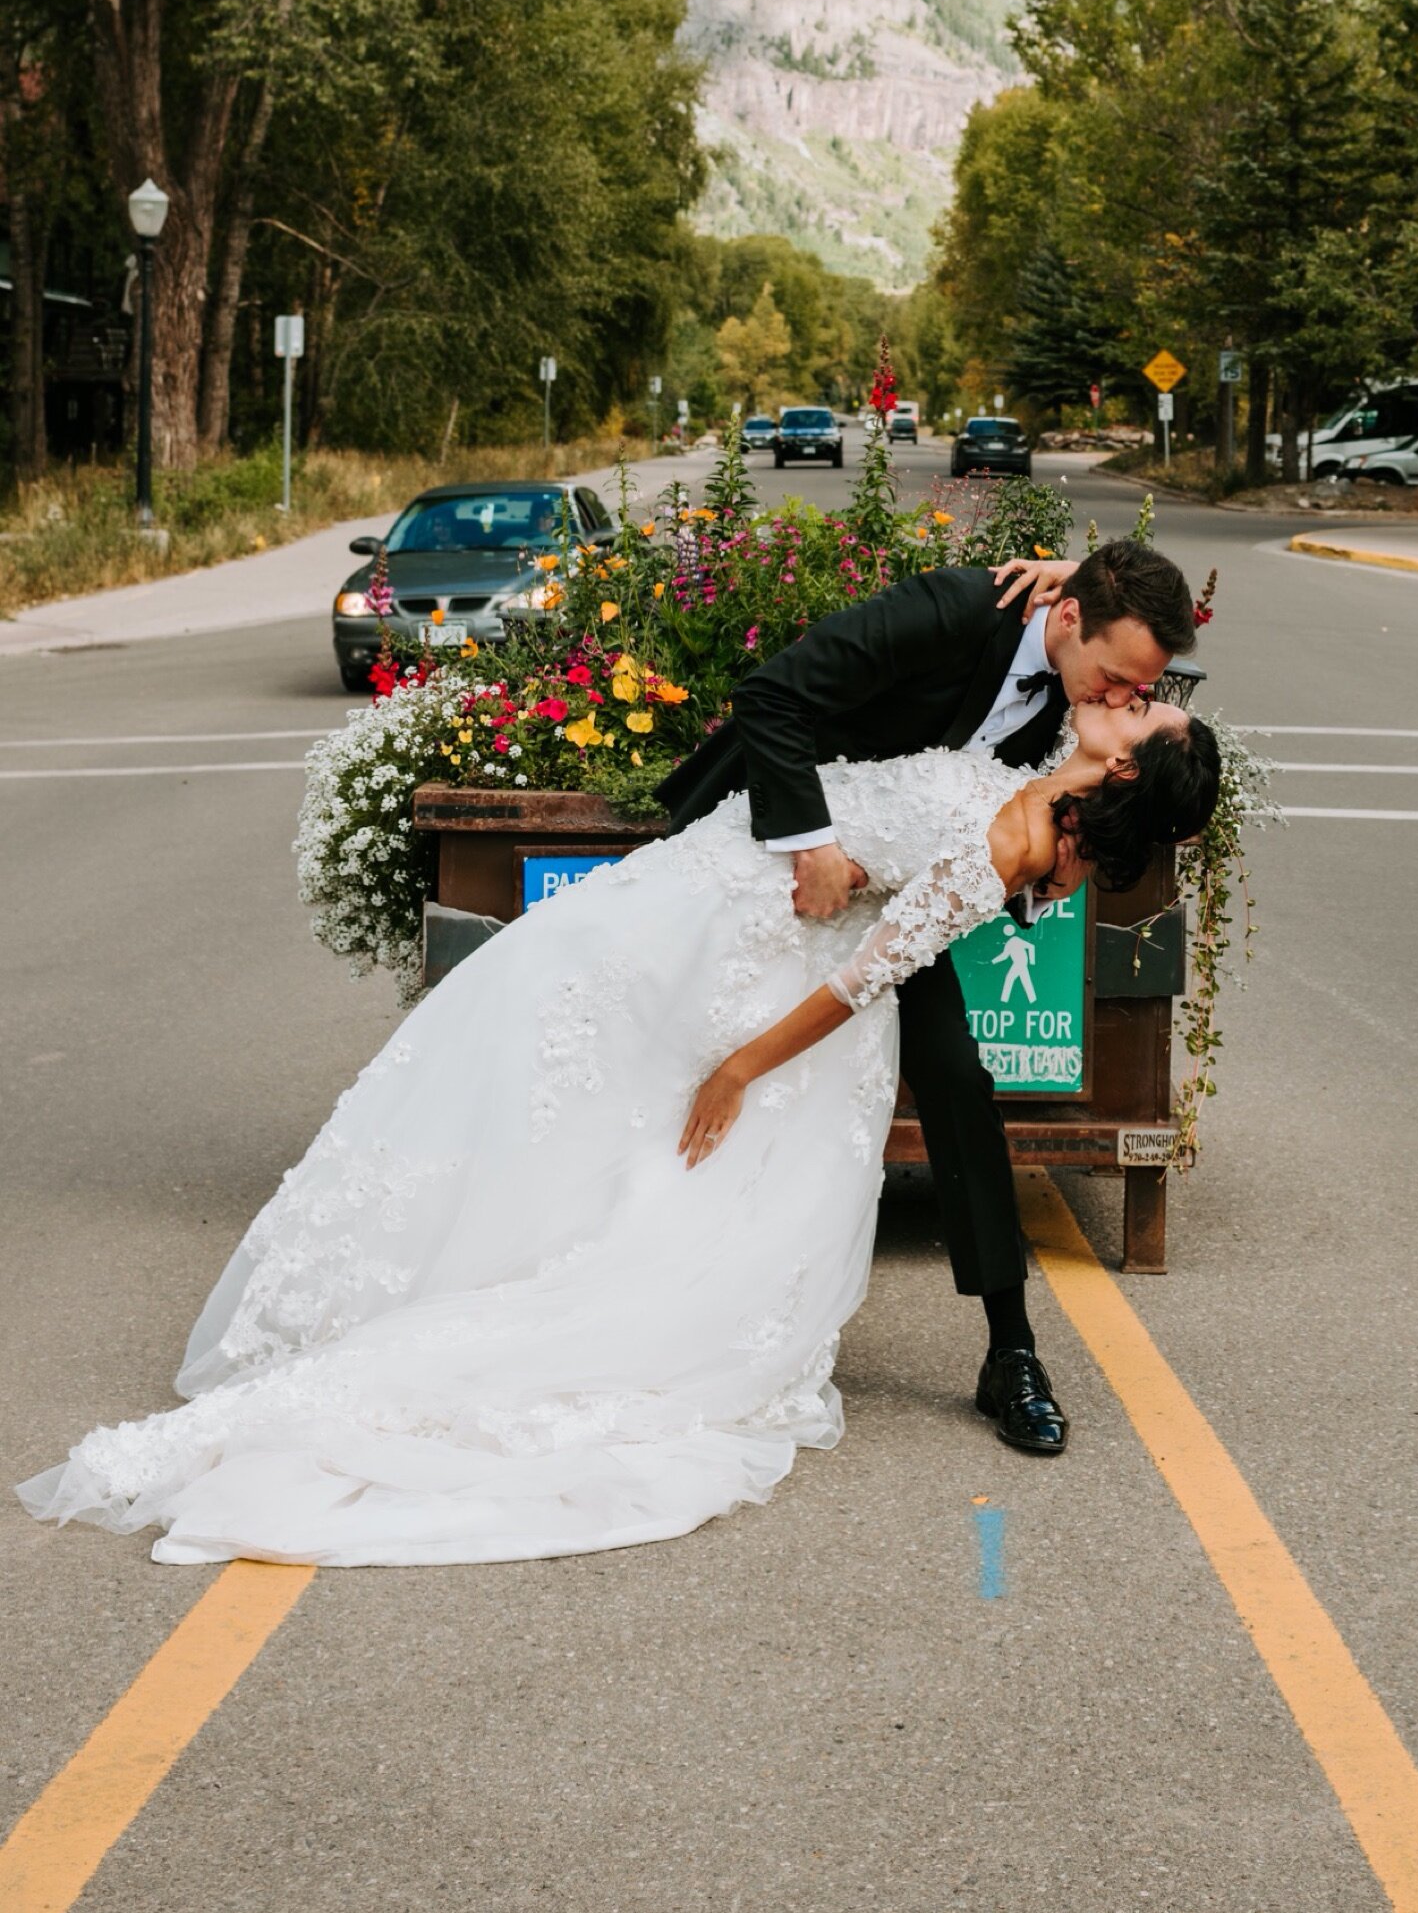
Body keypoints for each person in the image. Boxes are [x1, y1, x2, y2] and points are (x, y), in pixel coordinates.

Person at [20, 692, 1219, 1568]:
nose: (1146, 696)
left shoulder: (1007, 846)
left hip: (779, 977)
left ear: (1125, 776)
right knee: (560, 1071)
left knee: (659, 1159)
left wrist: (738, 1069)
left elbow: (866, 977)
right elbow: (1045, 697)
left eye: (1150, 712)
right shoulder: (1053, 763)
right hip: (720, 890)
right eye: (1151, 692)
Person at [658, 535, 1201, 1455]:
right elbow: (771, 696)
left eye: (1134, 692)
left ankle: (1010, 1352)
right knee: (678, 1057)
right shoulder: (956, 611)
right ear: (1067, 619)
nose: (1119, 700)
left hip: (900, 901)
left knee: (956, 1078)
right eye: (1114, 677)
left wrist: (1042, 870)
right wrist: (815, 846)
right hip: (777, 852)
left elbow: (1040, 808)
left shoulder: (1087, 693)